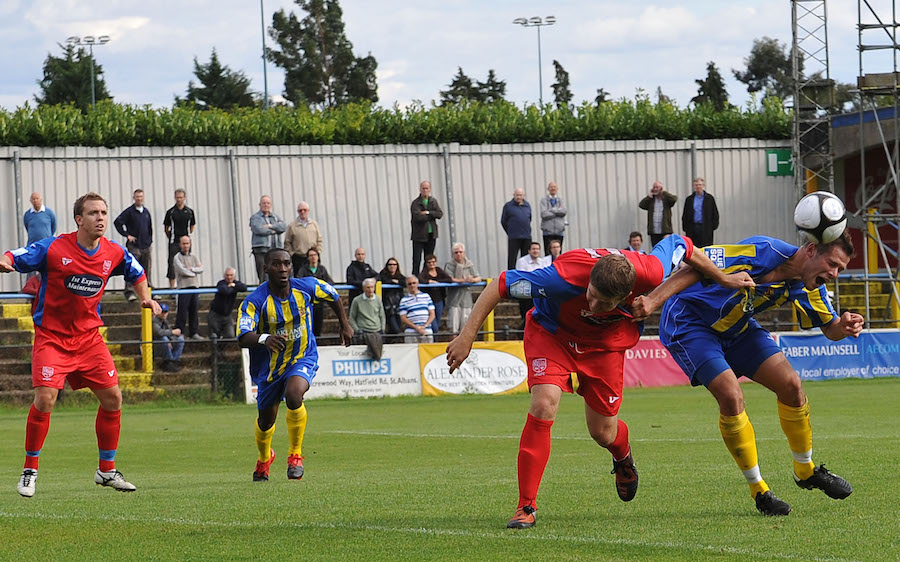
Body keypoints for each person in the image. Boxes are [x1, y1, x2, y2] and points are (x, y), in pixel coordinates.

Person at [445, 236, 754, 529]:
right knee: (543, 404)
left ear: (626, 295)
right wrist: (467, 337)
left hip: (605, 345)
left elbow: (683, 245)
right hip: (553, 335)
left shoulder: (650, 269)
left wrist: (721, 279)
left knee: (603, 432)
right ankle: (526, 506)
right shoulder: (559, 278)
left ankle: (622, 455)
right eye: (590, 295)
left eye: (604, 303)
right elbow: (500, 284)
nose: (592, 306)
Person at [656, 231, 861, 516]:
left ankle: (805, 471)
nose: (836, 274)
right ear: (812, 250)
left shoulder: (809, 285)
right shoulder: (763, 250)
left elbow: (831, 329)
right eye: (834, 264)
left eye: (841, 269)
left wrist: (846, 325)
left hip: (737, 327)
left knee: (791, 385)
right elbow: (693, 264)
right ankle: (759, 490)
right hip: (689, 321)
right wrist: (652, 301)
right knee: (731, 394)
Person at [2, 191, 161, 497]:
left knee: (113, 399)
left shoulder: (113, 251)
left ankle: (106, 470)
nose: (100, 218)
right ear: (79, 219)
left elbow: (137, 271)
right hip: (52, 336)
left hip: (89, 339)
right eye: (93, 213)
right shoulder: (54, 247)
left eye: (103, 212)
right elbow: (17, 254)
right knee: (46, 399)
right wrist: (5, 261)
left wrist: (145, 298)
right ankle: (29, 470)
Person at [238, 248, 352, 482]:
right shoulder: (255, 301)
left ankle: (295, 456)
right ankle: (264, 458)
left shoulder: (307, 287)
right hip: (269, 369)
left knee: (294, 395)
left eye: (287, 264)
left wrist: (344, 324)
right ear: (266, 268)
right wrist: (263, 338)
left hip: (302, 356)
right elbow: (242, 336)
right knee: (266, 421)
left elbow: (334, 296)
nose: (282, 269)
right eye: (276, 264)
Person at [114, 188, 153, 301]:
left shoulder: (146, 212)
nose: (139, 199)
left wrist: (149, 240)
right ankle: (129, 292)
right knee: (131, 268)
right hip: (134, 246)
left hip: (146, 245)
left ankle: (147, 291)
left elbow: (150, 227)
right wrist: (127, 235)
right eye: (137, 197)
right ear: (134, 198)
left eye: (141, 196)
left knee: (146, 270)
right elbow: (118, 223)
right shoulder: (129, 212)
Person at [297, 248, 336, 337]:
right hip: (307, 302)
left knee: (318, 324)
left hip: (319, 302)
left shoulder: (322, 269)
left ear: (318, 257)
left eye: (315, 255)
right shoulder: (303, 269)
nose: (313, 257)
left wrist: (320, 288)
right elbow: (299, 282)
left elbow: (330, 282)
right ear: (307, 258)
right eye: (310, 255)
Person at [444, 243, 482, 334]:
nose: (458, 254)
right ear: (453, 254)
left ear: (464, 253)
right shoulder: (449, 265)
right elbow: (449, 279)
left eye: (460, 252)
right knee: (453, 325)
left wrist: (471, 280)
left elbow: (478, 277)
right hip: (454, 299)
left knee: (466, 325)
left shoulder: (469, 264)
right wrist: (463, 280)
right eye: (456, 252)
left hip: (466, 298)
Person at [163, 188, 196, 289]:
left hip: (186, 241)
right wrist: (170, 236)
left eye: (181, 197)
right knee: (172, 263)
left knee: (187, 262)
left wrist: (187, 237)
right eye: (177, 198)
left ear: (184, 198)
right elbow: (166, 227)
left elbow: (192, 225)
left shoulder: (189, 211)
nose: (179, 200)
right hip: (174, 240)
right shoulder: (171, 212)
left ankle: (188, 285)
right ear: (175, 198)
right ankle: (172, 287)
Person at [249, 195, 287, 284]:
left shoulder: (275, 217)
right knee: (263, 273)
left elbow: (283, 227)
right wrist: (274, 230)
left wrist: (270, 226)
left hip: (275, 249)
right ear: (260, 205)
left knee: (276, 272)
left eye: (268, 203)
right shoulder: (255, 218)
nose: (266, 205)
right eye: (264, 203)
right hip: (261, 250)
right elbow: (258, 229)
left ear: (271, 205)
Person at [173, 235, 204, 340]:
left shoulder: (194, 256)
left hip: (194, 287)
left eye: (187, 243)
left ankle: (193, 333)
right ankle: (180, 332)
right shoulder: (177, 257)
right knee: (182, 311)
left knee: (194, 310)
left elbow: (201, 269)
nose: (186, 246)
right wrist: (194, 271)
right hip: (183, 288)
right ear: (180, 244)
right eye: (184, 243)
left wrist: (192, 269)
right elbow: (183, 271)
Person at [410, 180, 443, 275]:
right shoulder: (416, 203)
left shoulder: (433, 201)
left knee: (428, 258)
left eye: (427, 188)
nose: (425, 190)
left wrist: (428, 212)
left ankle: (425, 276)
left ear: (430, 189)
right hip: (419, 235)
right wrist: (432, 215)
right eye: (423, 188)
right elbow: (418, 217)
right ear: (420, 189)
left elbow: (440, 214)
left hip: (431, 234)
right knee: (417, 259)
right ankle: (415, 276)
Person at [349, 278, 386, 360]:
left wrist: (382, 328)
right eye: (368, 287)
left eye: (372, 287)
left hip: (377, 331)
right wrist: (357, 330)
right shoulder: (356, 300)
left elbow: (382, 315)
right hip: (363, 332)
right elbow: (351, 318)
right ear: (364, 288)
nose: (370, 289)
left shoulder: (378, 299)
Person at [515, 242, 551, 323]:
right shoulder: (522, 261)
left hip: (539, 291)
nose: (536, 251)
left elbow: (546, 277)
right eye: (533, 249)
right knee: (526, 314)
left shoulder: (543, 262)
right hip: (526, 291)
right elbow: (522, 277)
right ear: (529, 251)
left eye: (537, 249)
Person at [284, 201, 323, 277]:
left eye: (304, 210)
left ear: (308, 211)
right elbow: (287, 242)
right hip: (299, 258)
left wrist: (318, 251)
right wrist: (292, 254)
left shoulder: (314, 224)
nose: (302, 212)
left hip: (313, 256)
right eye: (300, 210)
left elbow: (319, 239)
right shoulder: (292, 226)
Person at [208, 267, 247, 340]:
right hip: (215, 314)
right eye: (227, 275)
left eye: (231, 275)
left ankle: (222, 349)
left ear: (234, 276)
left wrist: (234, 286)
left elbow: (244, 288)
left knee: (230, 335)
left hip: (227, 315)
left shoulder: (235, 283)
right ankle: (216, 351)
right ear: (224, 276)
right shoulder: (221, 283)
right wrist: (234, 288)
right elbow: (226, 291)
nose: (229, 277)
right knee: (214, 335)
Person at [418, 254, 453, 335]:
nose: (431, 264)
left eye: (433, 262)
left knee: (437, 320)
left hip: (439, 300)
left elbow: (449, 279)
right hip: (428, 301)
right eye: (429, 262)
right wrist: (429, 282)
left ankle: (435, 338)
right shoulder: (425, 272)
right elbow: (420, 279)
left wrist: (438, 282)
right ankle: (434, 338)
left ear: (436, 262)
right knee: (434, 325)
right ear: (426, 264)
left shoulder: (439, 270)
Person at [681, 177, 720, 247]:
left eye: (700, 185)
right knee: (693, 248)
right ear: (694, 186)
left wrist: (712, 227)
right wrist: (686, 228)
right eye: (696, 185)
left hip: (706, 228)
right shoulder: (689, 199)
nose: (698, 186)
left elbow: (715, 213)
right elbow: (685, 214)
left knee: (706, 247)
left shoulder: (709, 198)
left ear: (703, 186)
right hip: (692, 228)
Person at [638, 181, 677, 248]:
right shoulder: (651, 200)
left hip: (665, 230)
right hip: (654, 231)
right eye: (654, 187)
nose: (655, 189)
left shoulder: (666, 199)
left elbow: (674, 199)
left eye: (657, 187)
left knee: (666, 247)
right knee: (656, 248)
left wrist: (664, 193)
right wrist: (649, 196)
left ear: (661, 188)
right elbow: (641, 205)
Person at [501, 187, 532, 270]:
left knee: (526, 259)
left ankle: (525, 275)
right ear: (514, 195)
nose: (519, 197)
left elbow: (529, 219)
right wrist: (510, 232)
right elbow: (503, 221)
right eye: (517, 195)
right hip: (514, 236)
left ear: (523, 196)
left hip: (526, 236)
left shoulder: (527, 205)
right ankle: (511, 276)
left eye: (520, 195)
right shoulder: (508, 206)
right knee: (512, 258)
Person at [399, 276, 435, 343]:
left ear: (417, 284)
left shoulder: (426, 296)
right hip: (411, 332)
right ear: (407, 286)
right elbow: (403, 318)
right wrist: (416, 328)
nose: (412, 285)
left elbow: (432, 314)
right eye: (410, 284)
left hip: (426, 331)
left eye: (414, 283)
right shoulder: (404, 300)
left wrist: (425, 326)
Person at [378, 258, 406, 339]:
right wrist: (393, 281)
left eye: (394, 264)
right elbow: (384, 280)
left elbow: (406, 282)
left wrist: (397, 282)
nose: (392, 266)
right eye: (390, 264)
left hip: (398, 306)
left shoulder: (400, 276)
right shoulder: (383, 275)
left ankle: (390, 340)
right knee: (395, 328)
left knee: (397, 327)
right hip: (388, 307)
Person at [153, 303, 184, 372]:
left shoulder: (165, 321)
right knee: (164, 339)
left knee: (180, 339)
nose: (164, 314)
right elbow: (159, 333)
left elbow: (169, 334)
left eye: (165, 312)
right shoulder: (154, 321)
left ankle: (174, 360)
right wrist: (172, 332)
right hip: (154, 345)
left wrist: (171, 338)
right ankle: (168, 361)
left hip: (163, 344)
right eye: (162, 312)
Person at [539, 181, 567, 253]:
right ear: (548, 189)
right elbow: (544, 214)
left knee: (558, 253)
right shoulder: (544, 200)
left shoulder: (561, 200)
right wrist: (557, 211)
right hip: (548, 232)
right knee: (548, 252)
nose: (553, 188)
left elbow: (563, 211)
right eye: (551, 187)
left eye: (554, 187)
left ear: (557, 189)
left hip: (559, 231)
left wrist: (551, 210)